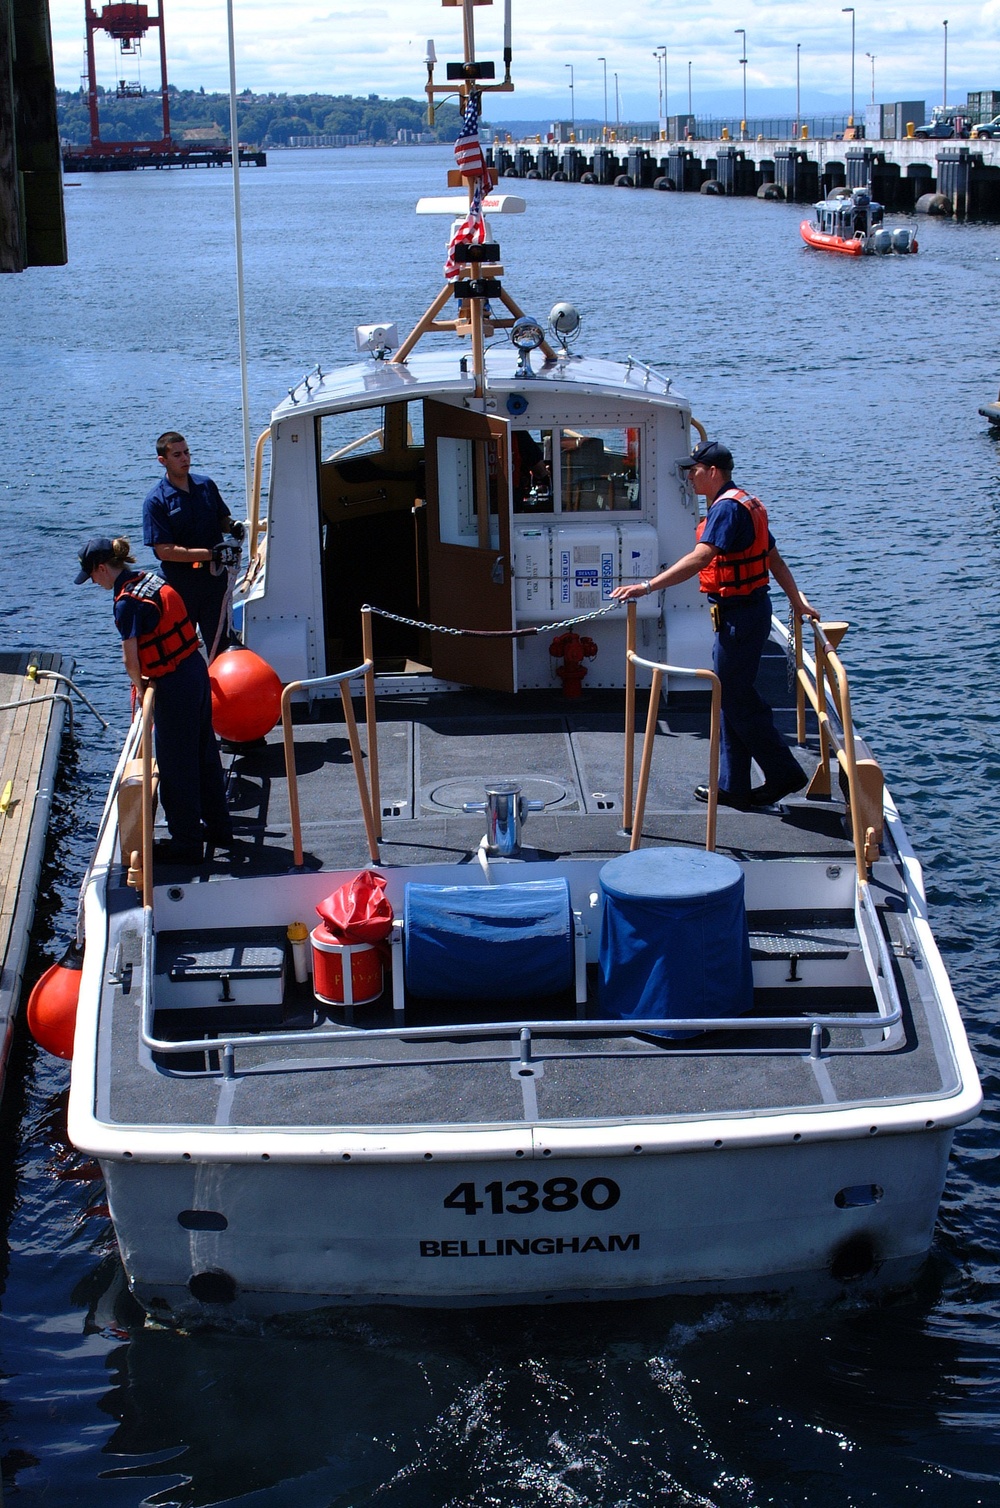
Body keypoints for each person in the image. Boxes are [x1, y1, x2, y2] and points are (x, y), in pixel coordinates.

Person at [611, 438, 819, 809]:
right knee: (729, 697)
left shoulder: (725, 510)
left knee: (738, 701)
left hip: (740, 616)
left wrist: (646, 587)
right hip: (748, 613)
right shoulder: (748, 503)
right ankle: (734, 785)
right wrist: (797, 601)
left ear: (713, 472)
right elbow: (773, 559)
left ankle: (784, 771)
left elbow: (701, 557)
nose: (689, 476)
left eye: (694, 470)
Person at [75, 535, 237, 865]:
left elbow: (130, 661)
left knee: (176, 766)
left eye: (91, 576)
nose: (93, 582)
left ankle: (186, 845)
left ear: (102, 569)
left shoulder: (126, 603)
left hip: (174, 684)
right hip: (195, 670)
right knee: (204, 753)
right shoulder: (149, 579)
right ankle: (220, 828)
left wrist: (141, 684)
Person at [142, 431, 245, 660]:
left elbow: (222, 519)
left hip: (213, 584)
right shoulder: (156, 501)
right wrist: (213, 554)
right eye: (177, 455)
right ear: (163, 461)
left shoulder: (205, 485)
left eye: (186, 452)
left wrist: (233, 525)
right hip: (181, 587)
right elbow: (165, 551)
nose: (185, 458)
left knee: (222, 643)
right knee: (182, 650)